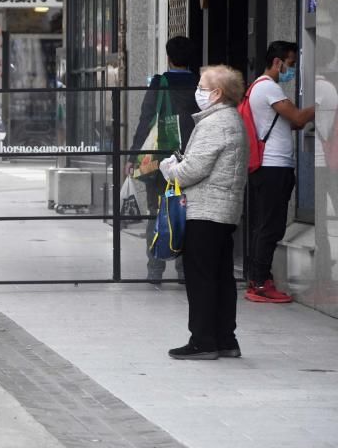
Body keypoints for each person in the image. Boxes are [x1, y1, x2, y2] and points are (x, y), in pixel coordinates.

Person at [159, 66, 249, 359]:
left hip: (205, 211)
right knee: (221, 277)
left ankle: (203, 341)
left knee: (201, 279)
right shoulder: (231, 119)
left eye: (202, 86)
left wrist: (168, 168)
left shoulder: (215, 123)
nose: (198, 92)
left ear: (217, 93)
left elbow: (191, 171)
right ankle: (225, 339)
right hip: (223, 212)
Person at [245, 40, 315, 303]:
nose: (292, 70)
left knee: (265, 225)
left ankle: (259, 279)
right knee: (270, 227)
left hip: (270, 167)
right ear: (278, 62)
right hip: (273, 168)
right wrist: (322, 105)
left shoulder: (259, 88)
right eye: (292, 64)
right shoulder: (268, 88)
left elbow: (291, 123)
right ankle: (261, 283)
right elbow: (297, 118)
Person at [129, 36, 200, 283]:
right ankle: (184, 271)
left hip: (160, 158)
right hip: (192, 157)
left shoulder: (160, 83)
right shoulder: (200, 84)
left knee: (156, 211)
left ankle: (155, 268)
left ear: (168, 57)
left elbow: (146, 119)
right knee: (188, 212)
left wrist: (133, 155)